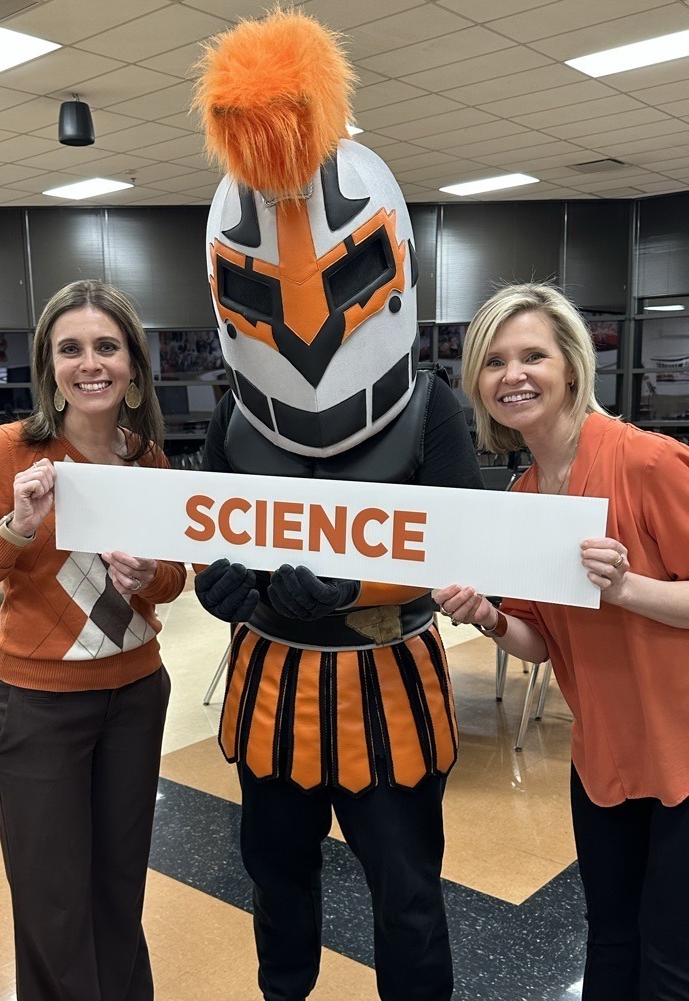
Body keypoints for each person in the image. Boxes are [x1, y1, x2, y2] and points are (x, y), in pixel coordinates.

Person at [191, 11, 483, 1000]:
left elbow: (461, 552)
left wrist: (357, 583)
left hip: (387, 683)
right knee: (277, 889)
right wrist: (219, 582)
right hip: (269, 683)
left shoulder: (433, 410)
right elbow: (208, 533)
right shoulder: (231, 422)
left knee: (409, 899)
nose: (308, 322)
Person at [432, 283, 689, 1001]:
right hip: (605, 753)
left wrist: (627, 588)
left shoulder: (648, 463)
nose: (512, 375)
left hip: (681, 750)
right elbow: (541, 642)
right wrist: (488, 618)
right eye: (494, 362)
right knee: (609, 939)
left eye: (532, 356)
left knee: (670, 960)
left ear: (571, 367)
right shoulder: (524, 497)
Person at [0, 280, 187, 1001]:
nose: (90, 363)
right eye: (70, 349)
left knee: (119, 888)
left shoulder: (147, 459)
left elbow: (175, 578)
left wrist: (149, 576)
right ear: (49, 367)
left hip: (136, 698)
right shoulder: (9, 452)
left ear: (133, 366)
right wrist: (16, 529)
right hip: (38, 708)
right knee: (53, 904)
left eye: (107, 346)